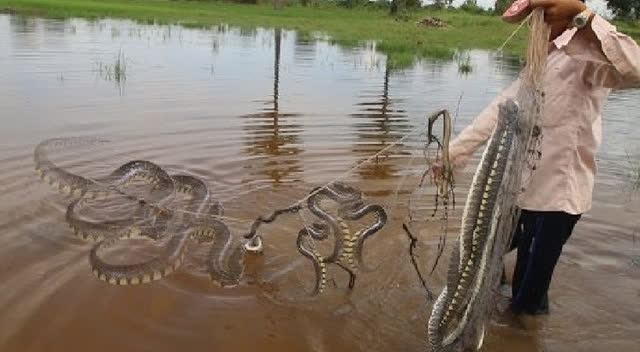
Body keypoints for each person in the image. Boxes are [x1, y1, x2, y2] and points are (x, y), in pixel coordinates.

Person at [432, 0, 640, 315]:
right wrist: (454, 153)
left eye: (539, 17)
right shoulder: (543, 60)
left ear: (559, 14)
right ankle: (490, 304)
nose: (533, 25)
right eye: (531, 19)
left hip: (559, 200)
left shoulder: (587, 56)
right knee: (486, 250)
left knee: (527, 296)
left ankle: (522, 332)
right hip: (525, 189)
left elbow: (634, 71)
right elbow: (499, 110)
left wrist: (585, 15)